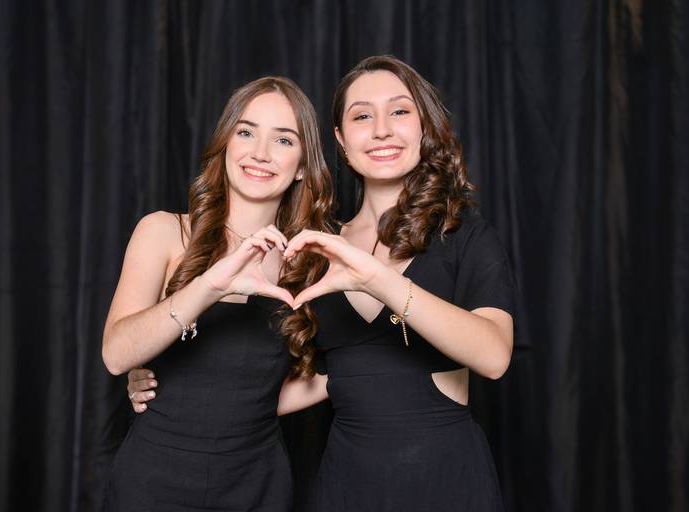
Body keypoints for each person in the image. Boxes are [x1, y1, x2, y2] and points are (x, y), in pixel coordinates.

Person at [129, 55, 514, 511]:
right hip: (344, 481)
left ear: (425, 127)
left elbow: (494, 357)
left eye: (399, 111)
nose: (382, 130)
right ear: (341, 140)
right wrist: (166, 378)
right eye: (362, 116)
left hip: (444, 476)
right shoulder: (313, 250)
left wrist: (379, 280)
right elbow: (267, 372)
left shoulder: (464, 235)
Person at [102, 76, 335, 512]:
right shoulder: (164, 232)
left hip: (257, 486)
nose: (260, 153)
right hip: (151, 483)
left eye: (283, 140)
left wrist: (362, 378)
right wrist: (209, 285)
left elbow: (269, 389)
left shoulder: (310, 262)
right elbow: (117, 355)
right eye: (246, 132)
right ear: (226, 143)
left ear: (303, 165)